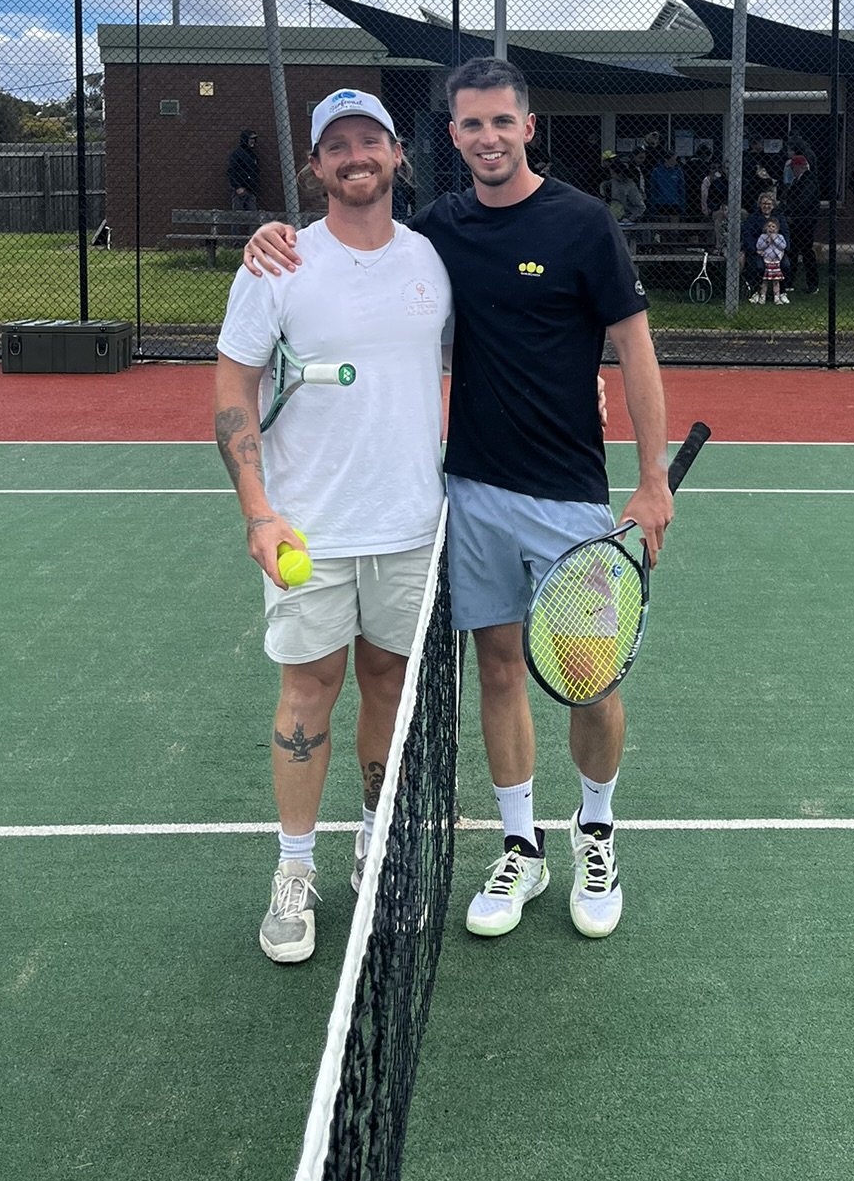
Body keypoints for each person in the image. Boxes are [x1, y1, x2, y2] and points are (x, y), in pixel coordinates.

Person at [242, 58, 673, 944]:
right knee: (501, 672)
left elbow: (634, 350)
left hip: (569, 497)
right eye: (471, 124)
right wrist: (267, 237)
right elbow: (363, 264)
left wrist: (652, 478)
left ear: (528, 126)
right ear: (450, 137)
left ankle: (597, 831)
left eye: (501, 121)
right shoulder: (436, 231)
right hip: (470, 493)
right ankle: (521, 846)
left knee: (589, 679)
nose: (487, 138)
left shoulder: (584, 223)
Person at [214, 91, 452, 965]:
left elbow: (501, 343)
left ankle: (375, 847)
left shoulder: (434, 259)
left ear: (396, 154)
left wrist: (581, 384)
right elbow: (233, 387)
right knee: (307, 692)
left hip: (410, 526)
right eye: (337, 144)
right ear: (316, 165)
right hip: (305, 531)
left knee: (389, 688)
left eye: (370, 140)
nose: (356, 156)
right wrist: (258, 511)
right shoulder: (276, 263)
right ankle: (293, 869)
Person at [782, 150, 821, 294]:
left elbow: (803, 201)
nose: (792, 170)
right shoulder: (799, 180)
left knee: (805, 252)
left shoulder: (808, 180)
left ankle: (812, 283)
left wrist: (789, 210)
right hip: (799, 221)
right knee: (795, 251)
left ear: (799, 167)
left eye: (793, 167)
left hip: (804, 222)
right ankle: (790, 281)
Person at [740, 188, 778, 298]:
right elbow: (747, 235)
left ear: (773, 205)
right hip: (758, 251)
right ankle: (757, 290)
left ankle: (779, 292)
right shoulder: (752, 218)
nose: (766, 206)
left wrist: (780, 249)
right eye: (764, 203)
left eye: (769, 204)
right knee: (759, 266)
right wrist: (755, 250)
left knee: (785, 265)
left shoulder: (778, 218)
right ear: (760, 205)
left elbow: (785, 235)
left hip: (776, 252)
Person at [754, 217, 789, 303]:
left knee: (776, 281)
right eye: (769, 226)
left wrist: (775, 239)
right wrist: (767, 242)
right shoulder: (763, 237)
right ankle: (763, 296)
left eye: (773, 227)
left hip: (776, 262)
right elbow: (759, 246)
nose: (771, 228)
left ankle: (777, 297)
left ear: (777, 229)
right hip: (767, 261)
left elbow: (783, 246)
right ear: (765, 228)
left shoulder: (780, 237)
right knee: (765, 280)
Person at [227, 130, 259, 219]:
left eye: (254, 139)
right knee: (238, 216)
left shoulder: (253, 155)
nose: (253, 141)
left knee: (253, 216)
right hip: (240, 189)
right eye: (251, 139)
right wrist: (237, 187)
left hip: (251, 189)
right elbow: (232, 171)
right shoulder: (237, 154)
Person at [647, 146, 686, 220]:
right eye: (673, 159)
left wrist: (682, 204)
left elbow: (681, 189)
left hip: (674, 203)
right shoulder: (656, 171)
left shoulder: (678, 171)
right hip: (661, 202)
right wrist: (653, 203)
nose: (675, 162)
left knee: (675, 224)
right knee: (662, 224)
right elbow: (653, 189)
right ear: (666, 159)